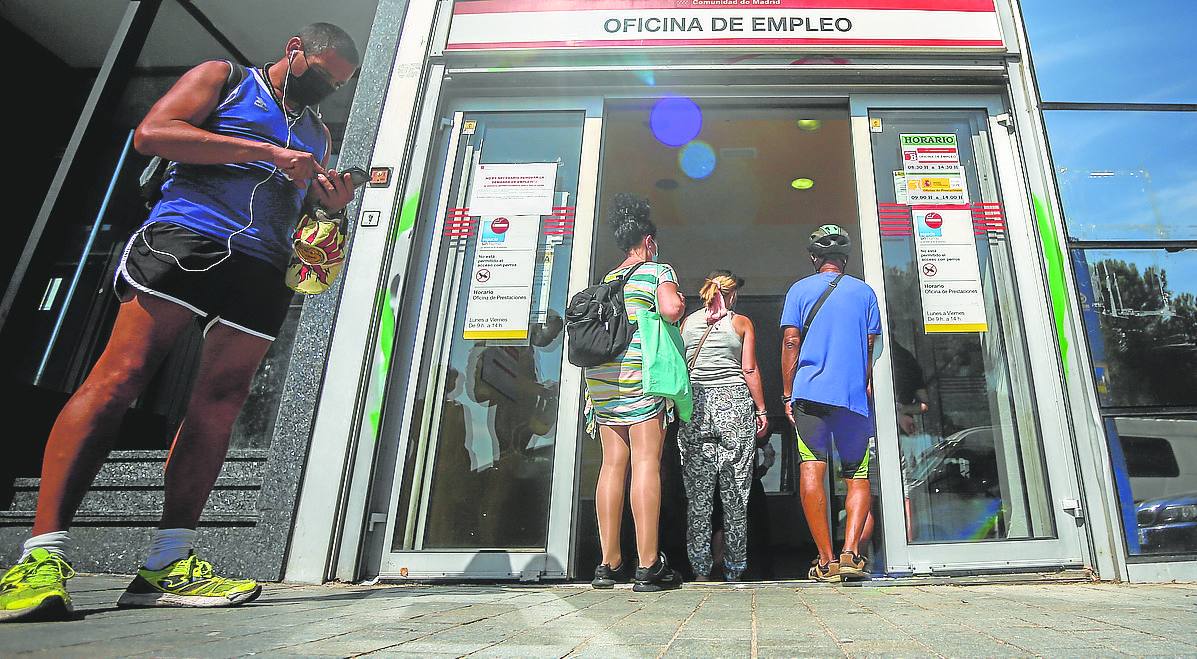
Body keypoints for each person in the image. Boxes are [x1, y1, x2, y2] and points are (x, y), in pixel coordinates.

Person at [0, 24, 360, 621]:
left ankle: (167, 563)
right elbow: (152, 134)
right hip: (186, 239)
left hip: (260, 263)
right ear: (295, 49)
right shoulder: (224, 79)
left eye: (339, 85)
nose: (326, 88)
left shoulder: (317, 131)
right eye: (322, 72)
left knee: (219, 403)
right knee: (121, 378)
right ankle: (40, 558)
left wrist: (327, 199)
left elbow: (294, 198)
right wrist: (265, 152)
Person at [584, 193, 686, 592]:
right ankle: (648, 565)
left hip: (605, 381)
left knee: (612, 466)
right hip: (642, 377)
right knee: (646, 464)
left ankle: (607, 563)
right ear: (647, 241)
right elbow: (673, 309)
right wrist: (672, 291)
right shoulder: (657, 270)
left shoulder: (608, 280)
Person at [780, 224, 881, 583]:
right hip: (852, 398)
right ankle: (851, 553)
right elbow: (870, 347)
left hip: (809, 395)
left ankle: (825, 561)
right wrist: (863, 382)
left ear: (814, 258)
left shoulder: (798, 290)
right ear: (845, 258)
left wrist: (788, 393)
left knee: (812, 470)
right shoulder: (865, 293)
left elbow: (791, 342)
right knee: (857, 474)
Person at [677, 271, 769, 582]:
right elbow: (749, 368)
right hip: (734, 406)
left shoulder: (687, 323)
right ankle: (734, 569)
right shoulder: (741, 323)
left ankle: (701, 570)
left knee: (699, 497)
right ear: (730, 296)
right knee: (735, 495)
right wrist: (762, 410)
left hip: (695, 407)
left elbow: (679, 365)